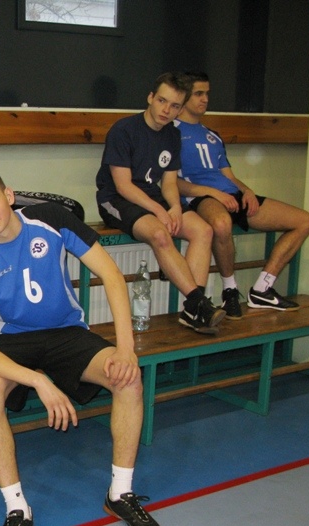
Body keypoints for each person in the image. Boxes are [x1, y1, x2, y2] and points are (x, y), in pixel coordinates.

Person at [0, 167, 163, 526]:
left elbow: (112, 276)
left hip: (66, 333)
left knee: (128, 379)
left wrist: (125, 349)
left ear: (9, 195)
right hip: (12, 342)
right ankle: (17, 509)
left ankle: (120, 492)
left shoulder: (51, 219)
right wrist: (39, 382)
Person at [175, 71, 309, 316]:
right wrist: (214, 194)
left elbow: (228, 175)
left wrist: (247, 191)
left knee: (303, 221)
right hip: (201, 196)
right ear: (184, 96)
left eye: (207, 93)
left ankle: (262, 288)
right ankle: (230, 290)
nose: (205, 99)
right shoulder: (170, 132)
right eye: (198, 94)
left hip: (231, 194)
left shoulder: (212, 135)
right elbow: (172, 182)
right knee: (221, 223)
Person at [96, 72, 226, 334]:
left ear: (180, 109)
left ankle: (193, 310)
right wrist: (159, 210)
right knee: (160, 234)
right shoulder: (124, 130)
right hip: (117, 199)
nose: (167, 110)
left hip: (152, 196)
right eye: (162, 101)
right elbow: (123, 185)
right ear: (151, 98)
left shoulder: (172, 135)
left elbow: (168, 183)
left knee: (204, 230)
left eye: (175, 106)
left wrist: (175, 207)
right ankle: (199, 304)